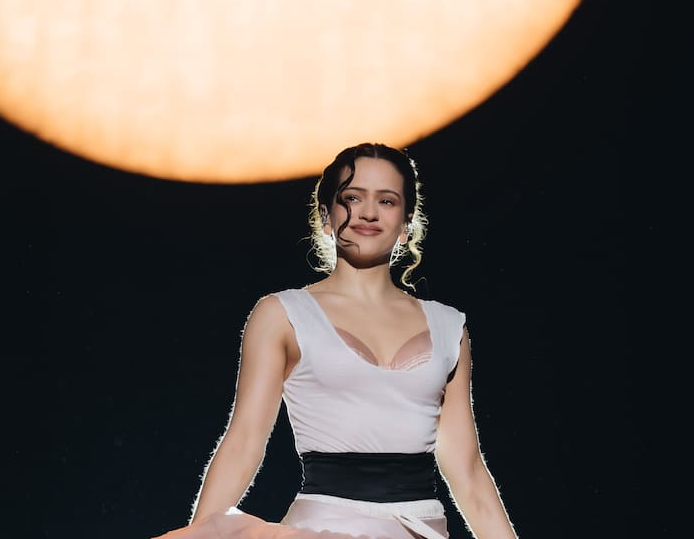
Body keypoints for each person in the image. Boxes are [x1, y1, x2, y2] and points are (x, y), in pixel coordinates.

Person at [154, 143, 519, 539]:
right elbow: (243, 443)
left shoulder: (449, 327)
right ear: (326, 215)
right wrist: (201, 534)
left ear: (407, 220)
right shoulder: (283, 316)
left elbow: (467, 471)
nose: (368, 212)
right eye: (352, 197)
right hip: (324, 527)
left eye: (387, 200)